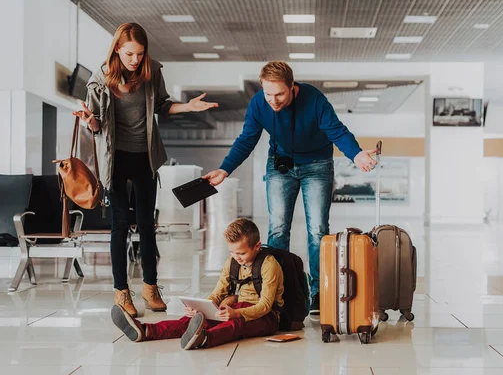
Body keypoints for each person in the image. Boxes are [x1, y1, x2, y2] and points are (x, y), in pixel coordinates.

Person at [203, 61, 376, 315]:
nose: (273, 100)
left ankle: (318, 291)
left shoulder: (314, 99)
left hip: (317, 165)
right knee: (278, 228)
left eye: (279, 94)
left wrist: (356, 155)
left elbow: (337, 132)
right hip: (280, 166)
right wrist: (225, 169)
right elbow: (247, 139)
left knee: (317, 229)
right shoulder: (259, 104)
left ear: (292, 87)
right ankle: (278, 292)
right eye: (268, 93)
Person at [75, 23, 218, 317]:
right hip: (115, 159)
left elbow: (163, 106)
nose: (135, 60)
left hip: (144, 156)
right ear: (117, 49)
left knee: (146, 224)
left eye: (140, 54)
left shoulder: (151, 71)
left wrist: (187, 107)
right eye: (129, 54)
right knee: (119, 224)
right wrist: (89, 120)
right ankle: (121, 291)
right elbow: (97, 125)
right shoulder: (101, 78)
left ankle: (150, 287)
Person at [110, 218, 283, 350]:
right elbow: (218, 293)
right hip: (238, 307)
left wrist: (236, 313)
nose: (236, 256)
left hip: (266, 317)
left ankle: (205, 339)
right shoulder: (232, 261)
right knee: (189, 320)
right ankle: (145, 331)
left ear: (257, 246)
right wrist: (201, 308)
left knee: (235, 325)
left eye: (241, 253)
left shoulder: (269, 265)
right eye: (232, 251)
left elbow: (265, 306)